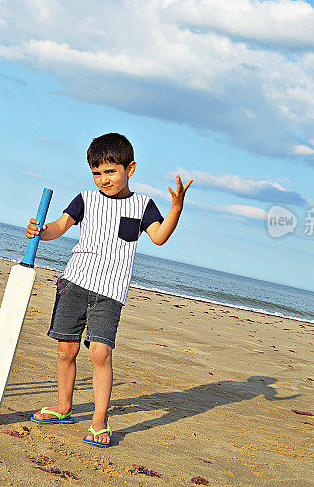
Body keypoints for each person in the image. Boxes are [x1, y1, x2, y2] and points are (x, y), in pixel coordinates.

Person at [25, 132, 192, 447]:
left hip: (110, 293)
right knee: (66, 350)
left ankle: (99, 421)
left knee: (100, 353)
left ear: (130, 169)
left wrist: (176, 209)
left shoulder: (143, 206)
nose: (103, 179)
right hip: (74, 283)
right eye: (97, 173)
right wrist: (39, 230)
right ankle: (63, 407)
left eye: (110, 171)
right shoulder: (85, 200)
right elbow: (58, 227)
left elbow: (158, 237)